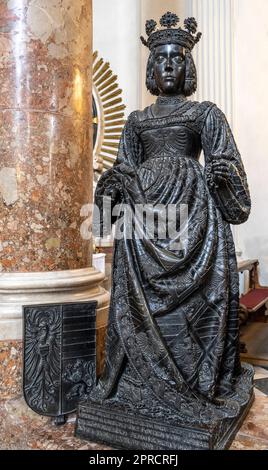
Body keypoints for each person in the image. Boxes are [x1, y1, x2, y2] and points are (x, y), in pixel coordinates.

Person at [81, 13, 254, 448]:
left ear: (189, 67)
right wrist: (114, 184)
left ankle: (195, 382)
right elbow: (122, 170)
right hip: (142, 224)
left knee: (198, 300)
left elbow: (229, 171)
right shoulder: (137, 122)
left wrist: (220, 174)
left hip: (195, 221)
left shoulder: (204, 114)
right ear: (151, 68)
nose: (169, 65)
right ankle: (133, 385)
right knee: (137, 302)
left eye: (177, 58)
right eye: (161, 58)